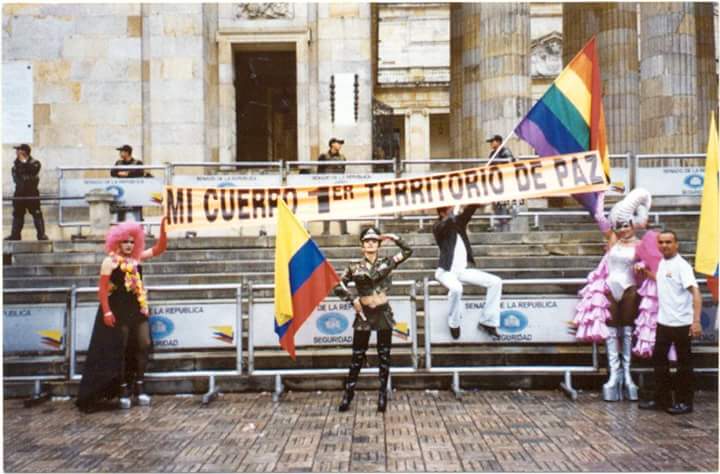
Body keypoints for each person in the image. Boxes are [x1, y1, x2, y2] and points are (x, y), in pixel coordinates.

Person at [572, 188, 660, 402]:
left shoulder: (641, 244)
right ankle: (614, 374)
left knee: (627, 330)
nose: (622, 229)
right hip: (611, 287)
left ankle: (627, 375)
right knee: (611, 330)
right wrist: (602, 193)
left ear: (633, 224)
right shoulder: (612, 240)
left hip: (630, 287)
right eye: (619, 226)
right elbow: (599, 216)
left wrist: (642, 266)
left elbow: (652, 265)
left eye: (626, 225)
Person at [76, 218, 168, 413]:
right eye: (125, 241)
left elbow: (159, 248)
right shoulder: (109, 262)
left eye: (132, 241)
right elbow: (102, 290)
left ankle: (140, 383)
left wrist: (164, 229)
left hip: (136, 309)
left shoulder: (137, 259)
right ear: (117, 242)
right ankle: (124, 387)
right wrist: (107, 310)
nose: (128, 245)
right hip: (118, 309)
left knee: (144, 343)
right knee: (122, 347)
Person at [334, 226, 412, 413]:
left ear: (379, 244)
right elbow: (338, 285)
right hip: (364, 314)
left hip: (383, 312)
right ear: (362, 245)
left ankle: (382, 394)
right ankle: (348, 394)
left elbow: (408, 251)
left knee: (384, 355)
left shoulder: (388, 262)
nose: (370, 243)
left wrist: (392, 236)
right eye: (367, 241)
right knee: (357, 356)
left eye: (374, 241)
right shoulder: (354, 267)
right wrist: (352, 299)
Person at [639, 230, 702, 414]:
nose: (664, 245)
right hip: (664, 323)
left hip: (681, 323)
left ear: (676, 244)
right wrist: (645, 272)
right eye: (661, 242)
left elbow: (696, 293)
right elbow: (662, 281)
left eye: (668, 242)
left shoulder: (682, 265)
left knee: (684, 365)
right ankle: (662, 399)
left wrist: (696, 321)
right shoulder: (662, 264)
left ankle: (685, 402)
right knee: (659, 363)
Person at [433, 205, 502, 340]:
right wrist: (452, 214)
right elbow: (443, 226)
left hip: (462, 271)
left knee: (496, 282)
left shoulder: (458, 222)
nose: (453, 210)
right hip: (445, 271)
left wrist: (475, 200)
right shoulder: (438, 226)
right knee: (457, 289)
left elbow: (469, 212)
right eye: (449, 209)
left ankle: (488, 321)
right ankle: (454, 323)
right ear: (442, 213)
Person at [6, 144, 48, 241]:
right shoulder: (16, 165)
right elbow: (18, 178)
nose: (16, 152)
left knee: (37, 213)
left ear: (24, 152)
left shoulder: (35, 163)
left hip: (32, 193)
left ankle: (41, 235)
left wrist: (24, 162)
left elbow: (32, 171)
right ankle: (15, 235)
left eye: (18, 150)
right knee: (17, 214)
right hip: (19, 193)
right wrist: (22, 165)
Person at [318, 138, 348, 235]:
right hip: (326, 185)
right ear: (332, 144)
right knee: (326, 208)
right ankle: (326, 231)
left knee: (342, 207)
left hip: (339, 186)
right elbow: (319, 172)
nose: (340, 145)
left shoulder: (343, 157)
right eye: (338, 143)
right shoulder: (323, 156)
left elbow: (343, 171)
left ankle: (344, 231)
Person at [486, 135, 516, 231]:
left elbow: (510, 163)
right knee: (497, 207)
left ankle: (506, 228)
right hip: (495, 183)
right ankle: (500, 226)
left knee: (505, 206)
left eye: (492, 141)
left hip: (504, 182)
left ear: (498, 142)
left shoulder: (505, 151)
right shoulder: (492, 154)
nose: (491, 144)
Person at [111, 144, 145, 222]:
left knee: (136, 211)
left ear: (127, 152)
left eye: (121, 151)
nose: (120, 154)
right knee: (120, 210)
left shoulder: (137, 163)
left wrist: (126, 174)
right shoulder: (118, 163)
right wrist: (125, 173)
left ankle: (138, 228)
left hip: (134, 191)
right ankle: (121, 229)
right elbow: (112, 172)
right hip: (122, 191)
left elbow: (139, 173)